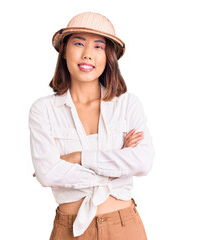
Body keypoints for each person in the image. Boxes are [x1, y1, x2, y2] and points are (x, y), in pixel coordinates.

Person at [28, 12, 155, 240]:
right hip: (70, 228)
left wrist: (77, 157)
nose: (88, 55)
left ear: (108, 57)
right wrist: (117, 165)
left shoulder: (127, 104)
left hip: (124, 226)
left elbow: (143, 163)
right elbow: (47, 174)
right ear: (64, 51)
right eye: (78, 44)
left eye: (98, 47)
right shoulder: (43, 110)